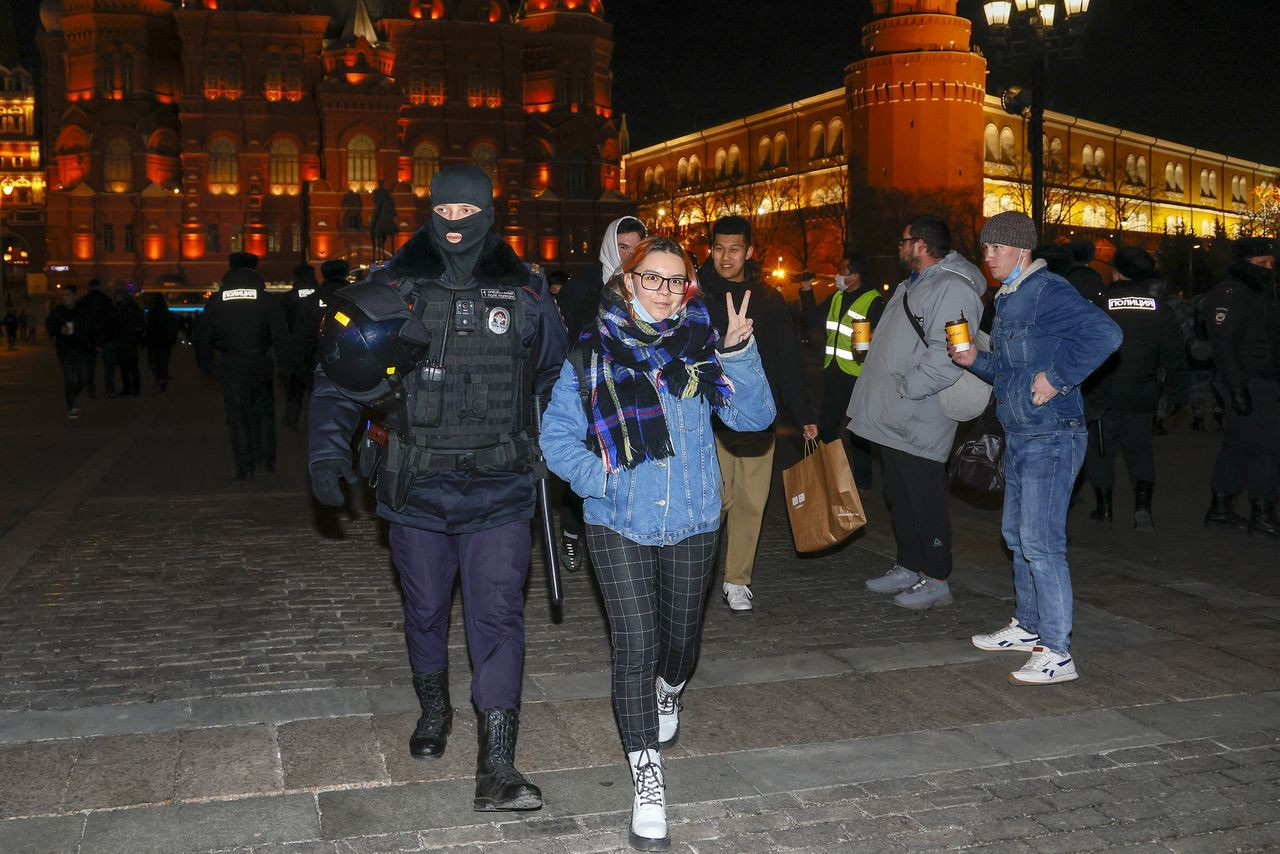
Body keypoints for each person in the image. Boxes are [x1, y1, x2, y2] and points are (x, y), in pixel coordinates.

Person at [308, 165, 566, 813]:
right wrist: (325, 450)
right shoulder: (390, 287)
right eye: (444, 212)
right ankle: (434, 711)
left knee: (497, 619)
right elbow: (339, 378)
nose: (456, 224)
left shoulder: (529, 294)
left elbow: (555, 383)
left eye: (467, 212)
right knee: (423, 610)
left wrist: (573, 460)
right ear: (429, 214)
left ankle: (498, 763)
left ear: (489, 213)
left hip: (499, 487)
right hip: (414, 485)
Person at [541, 236, 774, 851]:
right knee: (634, 645)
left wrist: (742, 351)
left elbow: (751, 421)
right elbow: (557, 438)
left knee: (681, 642)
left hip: (695, 519)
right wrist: (601, 481)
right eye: (654, 279)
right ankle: (647, 775)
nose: (666, 292)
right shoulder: (590, 353)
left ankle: (672, 688)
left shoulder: (703, 348)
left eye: (677, 282)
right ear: (626, 280)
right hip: (617, 521)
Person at [953, 211, 1121, 685]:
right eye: (984, 248)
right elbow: (1012, 372)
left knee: (1042, 544)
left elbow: (1106, 335)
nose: (988, 257)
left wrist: (1058, 377)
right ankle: (1028, 628)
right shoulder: (1010, 298)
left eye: (996, 249)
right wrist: (974, 361)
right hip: (1023, 432)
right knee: (1016, 537)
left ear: (1022, 251)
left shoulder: (1047, 291)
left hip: (1053, 433)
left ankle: (1058, 651)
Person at [848, 214, 984, 610]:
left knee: (924, 496)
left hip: (919, 411)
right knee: (900, 494)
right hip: (896, 412)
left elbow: (949, 354)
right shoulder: (917, 284)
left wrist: (909, 387)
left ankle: (937, 577)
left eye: (903, 240)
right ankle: (910, 564)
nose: (899, 246)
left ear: (921, 245)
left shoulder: (952, 288)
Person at [698, 215, 817, 612]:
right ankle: (697, 573)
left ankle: (737, 579)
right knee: (714, 500)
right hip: (707, 419)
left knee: (751, 499)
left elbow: (787, 360)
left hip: (755, 421)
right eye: (718, 248)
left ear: (749, 251)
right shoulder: (693, 293)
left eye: (734, 249)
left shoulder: (766, 299)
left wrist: (803, 415)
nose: (725, 257)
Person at [556, 218, 647, 572]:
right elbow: (572, 343)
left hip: (633, 390)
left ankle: (617, 533)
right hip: (589, 387)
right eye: (623, 247)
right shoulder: (583, 288)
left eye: (636, 248)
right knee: (588, 461)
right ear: (610, 246)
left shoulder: (647, 282)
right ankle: (571, 528)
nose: (629, 254)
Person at [1081, 247, 1187, 529]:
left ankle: (1104, 508)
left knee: (1102, 451)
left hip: (1105, 394)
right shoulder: (1159, 308)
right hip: (1142, 393)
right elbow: (1175, 355)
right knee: (1140, 450)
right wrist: (1178, 394)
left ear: (1116, 272)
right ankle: (1143, 507)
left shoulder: (1100, 303)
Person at [1202, 236, 1280, 538]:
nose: (1269, 267)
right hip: (1246, 379)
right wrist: (1236, 388)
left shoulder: (1261, 292)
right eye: (1261, 263)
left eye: (1271, 262)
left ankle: (1220, 508)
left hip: (1261, 378)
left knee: (1239, 444)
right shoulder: (1232, 291)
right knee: (1267, 446)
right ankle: (1262, 510)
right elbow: (1222, 343)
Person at [195, 252, 290, 480]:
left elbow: (202, 336)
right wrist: (285, 368)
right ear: (255, 270)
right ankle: (266, 460)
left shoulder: (217, 300)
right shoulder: (266, 299)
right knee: (265, 415)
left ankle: (244, 465)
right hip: (260, 365)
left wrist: (205, 364)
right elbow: (281, 337)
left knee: (239, 418)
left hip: (232, 366)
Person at [800, 251, 884, 488]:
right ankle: (824, 473)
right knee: (827, 426)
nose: (837, 275)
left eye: (842, 271)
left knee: (859, 431)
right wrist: (806, 290)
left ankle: (863, 482)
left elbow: (881, 339)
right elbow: (814, 318)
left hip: (858, 375)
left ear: (855, 276)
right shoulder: (837, 297)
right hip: (834, 372)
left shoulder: (874, 301)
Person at [281, 263, 320, 431]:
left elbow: (283, 324)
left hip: (296, 346)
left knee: (295, 387)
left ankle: (291, 420)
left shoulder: (289, 297)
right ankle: (316, 421)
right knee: (316, 388)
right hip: (317, 349)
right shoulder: (320, 295)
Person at [48, 287, 93, 418]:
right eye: (63, 295)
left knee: (83, 378)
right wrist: (58, 330)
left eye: (68, 295)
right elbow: (50, 325)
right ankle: (71, 406)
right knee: (69, 379)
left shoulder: (83, 310)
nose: (65, 298)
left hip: (82, 348)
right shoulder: (58, 312)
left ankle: (73, 396)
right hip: (66, 350)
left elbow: (91, 327)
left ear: (74, 296)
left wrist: (96, 344)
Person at [79, 278, 118, 398]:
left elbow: (80, 321)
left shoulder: (84, 301)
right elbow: (112, 319)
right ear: (99, 287)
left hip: (89, 338)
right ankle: (109, 389)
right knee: (109, 367)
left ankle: (91, 390)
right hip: (106, 337)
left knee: (89, 367)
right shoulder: (106, 300)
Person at [113, 283, 145, 397]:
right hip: (125, 340)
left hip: (128, 340)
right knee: (126, 367)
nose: (116, 297)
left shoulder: (127, 307)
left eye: (117, 295)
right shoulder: (123, 306)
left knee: (130, 366)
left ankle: (133, 389)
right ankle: (130, 389)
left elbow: (137, 323)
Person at [143, 293, 179, 390]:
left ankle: (159, 377)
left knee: (153, 361)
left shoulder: (150, 313)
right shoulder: (167, 314)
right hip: (164, 340)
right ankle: (163, 377)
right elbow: (172, 327)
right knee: (163, 360)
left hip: (153, 340)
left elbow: (148, 328)